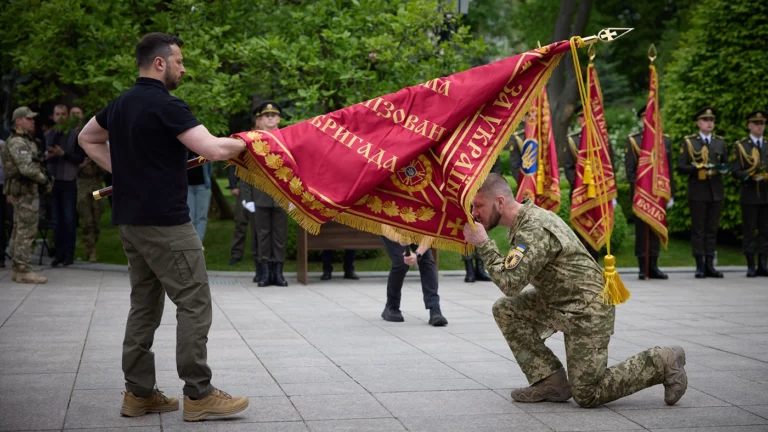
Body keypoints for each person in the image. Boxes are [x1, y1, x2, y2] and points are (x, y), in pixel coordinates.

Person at [77, 32, 248, 421]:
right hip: (167, 224)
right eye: (179, 61)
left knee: (144, 305)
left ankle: (139, 394)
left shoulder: (120, 105)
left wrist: (125, 173)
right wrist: (255, 142)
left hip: (130, 222)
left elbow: (86, 137)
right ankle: (199, 394)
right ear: (159, 63)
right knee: (194, 302)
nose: (183, 68)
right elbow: (214, 150)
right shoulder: (166, 105)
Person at [463, 173, 687, 407]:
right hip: (559, 301)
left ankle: (662, 361)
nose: (475, 213)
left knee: (588, 394)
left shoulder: (534, 229)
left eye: (479, 205)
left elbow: (510, 283)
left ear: (499, 202)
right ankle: (551, 381)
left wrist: (484, 244)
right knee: (506, 310)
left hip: (587, 309)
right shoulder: (526, 222)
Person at [677, 106, 728, 278]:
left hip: (715, 191)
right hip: (698, 191)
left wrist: (722, 169)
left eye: (711, 120)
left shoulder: (720, 142)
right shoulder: (690, 142)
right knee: (698, 230)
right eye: (705, 120)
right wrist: (697, 168)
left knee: (712, 230)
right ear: (698, 123)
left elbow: (726, 164)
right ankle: (700, 265)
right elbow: (681, 166)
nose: (709, 123)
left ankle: (710, 265)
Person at [0, 107, 49, 284]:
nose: (32, 121)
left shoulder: (23, 140)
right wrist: (44, 180)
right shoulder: (18, 143)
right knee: (26, 230)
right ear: (18, 121)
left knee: (19, 228)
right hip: (24, 191)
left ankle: (18, 267)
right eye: (28, 119)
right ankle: (22, 269)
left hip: (25, 190)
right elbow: (26, 168)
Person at [626, 105, 675, 279]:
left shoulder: (665, 140)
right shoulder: (634, 141)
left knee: (655, 229)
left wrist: (671, 194)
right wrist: (639, 191)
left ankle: (654, 265)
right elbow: (630, 171)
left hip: (659, 194)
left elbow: (669, 170)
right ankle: (642, 266)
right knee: (641, 232)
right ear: (641, 120)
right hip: (641, 195)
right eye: (645, 118)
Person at [563, 106, 616, 262]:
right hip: (580, 194)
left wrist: (611, 191)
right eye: (582, 118)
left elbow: (610, 167)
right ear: (579, 120)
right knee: (580, 231)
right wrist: (581, 187)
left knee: (600, 227)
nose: (585, 120)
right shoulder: (573, 141)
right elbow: (568, 168)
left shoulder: (603, 141)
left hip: (600, 194)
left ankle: (596, 262)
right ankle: (582, 265)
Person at [250, 100, 288, 287]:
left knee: (280, 235)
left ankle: (278, 273)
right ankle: (265, 272)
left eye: (274, 115)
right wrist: (247, 197)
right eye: (267, 115)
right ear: (260, 119)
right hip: (261, 193)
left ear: (279, 118)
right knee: (263, 234)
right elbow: (246, 171)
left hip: (281, 195)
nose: (271, 117)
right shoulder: (254, 139)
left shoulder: (287, 139)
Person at [46, 103, 85, 266]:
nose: (60, 117)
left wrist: (63, 154)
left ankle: (69, 255)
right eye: (57, 114)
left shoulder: (74, 135)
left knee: (69, 219)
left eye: (63, 114)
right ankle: (58, 254)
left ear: (67, 116)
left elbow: (80, 159)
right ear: (53, 116)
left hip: (69, 180)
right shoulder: (49, 135)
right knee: (56, 219)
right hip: (53, 181)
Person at [379, 234, 447, 326]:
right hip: (391, 227)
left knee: (427, 259)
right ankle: (391, 306)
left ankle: (435, 309)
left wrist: (418, 254)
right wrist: (399, 239)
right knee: (400, 262)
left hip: (415, 228)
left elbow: (430, 233)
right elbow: (385, 226)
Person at [732, 110, 768, 277]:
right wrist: (750, 176)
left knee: (765, 231)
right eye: (756, 123)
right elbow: (735, 171)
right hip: (750, 194)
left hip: (766, 195)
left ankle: (763, 263)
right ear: (749, 126)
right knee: (749, 231)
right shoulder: (741, 146)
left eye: (762, 123)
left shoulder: (767, 144)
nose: (760, 126)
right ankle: (750, 265)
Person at [186, 149, 213, 242]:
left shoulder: (203, 151)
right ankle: (191, 242)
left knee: (201, 217)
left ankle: (199, 243)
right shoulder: (183, 152)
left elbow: (209, 170)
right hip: (187, 188)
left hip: (203, 187)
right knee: (190, 217)